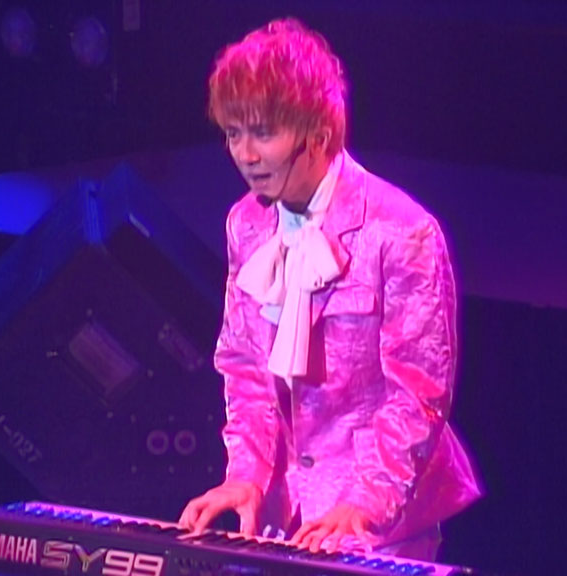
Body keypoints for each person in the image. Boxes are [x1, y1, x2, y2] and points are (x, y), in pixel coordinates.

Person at [177, 18, 482, 561]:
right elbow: (245, 368)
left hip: (384, 527)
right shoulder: (246, 224)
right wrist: (245, 475)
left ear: (317, 134)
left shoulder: (401, 232)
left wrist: (364, 503)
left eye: (263, 133)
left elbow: (416, 396)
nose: (245, 154)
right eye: (233, 133)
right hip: (283, 521)